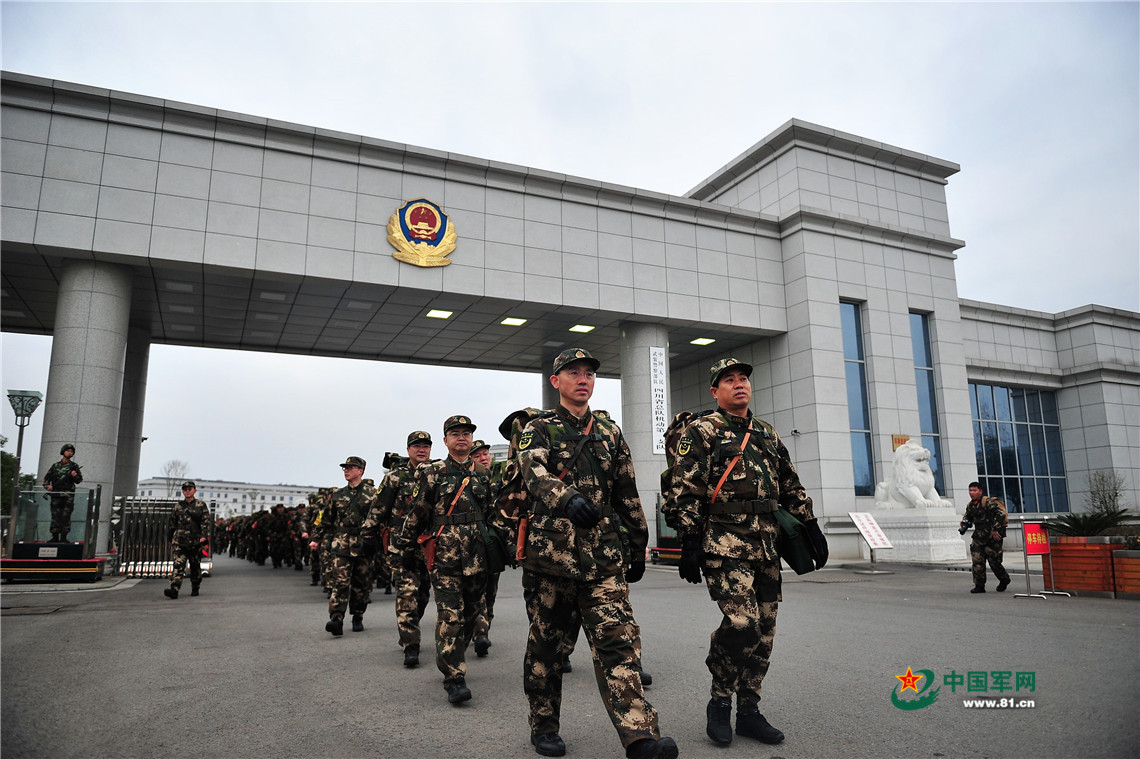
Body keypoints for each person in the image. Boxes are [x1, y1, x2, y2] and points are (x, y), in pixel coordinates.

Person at [513, 348, 676, 759]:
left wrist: (638, 544)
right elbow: (533, 472)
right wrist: (564, 497)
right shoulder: (539, 428)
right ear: (556, 381)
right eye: (573, 372)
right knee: (548, 648)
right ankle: (544, 724)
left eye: (588, 373)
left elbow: (626, 491)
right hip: (551, 559)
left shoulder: (609, 431)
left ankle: (640, 737)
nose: (582, 379)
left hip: (603, 559)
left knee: (617, 646)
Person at [665, 357, 827, 747]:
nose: (739, 385)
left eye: (743, 379)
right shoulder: (702, 432)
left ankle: (749, 710)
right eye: (729, 380)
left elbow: (790, 484)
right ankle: (720, 701)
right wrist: (688, 540)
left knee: (765, 631)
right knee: (742, 624)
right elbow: (684, 488)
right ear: (714, 391)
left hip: (767, 545)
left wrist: (810, 523)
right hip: (723, 544)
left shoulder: (767, 434)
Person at [392, 416, 493, 705]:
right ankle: (454, 677)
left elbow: (492, 514)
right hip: (445, 556)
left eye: (466, 434)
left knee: (473, 614)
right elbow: (417, 511)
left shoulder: (483, 474)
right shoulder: (432, 472)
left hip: (477, 557)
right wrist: (403, 547)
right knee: (450, 615)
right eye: (455, 434)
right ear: (446, 440)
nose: (462, 438)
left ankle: (457, 654)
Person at [308, 456, 384, 636]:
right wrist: (315, 538)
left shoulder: (373, 494)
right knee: (340, 582)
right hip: (341, 544)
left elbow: (381, 519)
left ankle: (358, 615)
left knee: (361, 583)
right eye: (345, 468)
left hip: (364, 544)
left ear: (361, 471)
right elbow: (326, 519)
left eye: (351, 468)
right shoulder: (337, 495)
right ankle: (336, 618)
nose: (347, 471)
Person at [379, 432, 435, 667]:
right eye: (416, 446)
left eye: (425, 446)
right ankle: (411, 644)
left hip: (428, 546)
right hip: (401, 546)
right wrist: (367, 537)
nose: (421, 450)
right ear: (408, 449)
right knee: (407, 593)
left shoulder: (437, 473)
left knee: (422, 594)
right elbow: (379, 508)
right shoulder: (395, 477)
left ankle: (409, 626)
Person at [470, 438, 499, 658]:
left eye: (486, 454)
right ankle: (480, 633)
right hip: (472, 544)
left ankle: (484, 622)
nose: (484, 458)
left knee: (490, 589)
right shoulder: (469, 478)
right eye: (478, 455)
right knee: (476, 590)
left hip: (493, 543)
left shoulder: (496, 478)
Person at [961, 481, 1011, 593]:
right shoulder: (971, 505)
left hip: (992, 538)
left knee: (994, 562)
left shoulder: (988, 502)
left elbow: (1001, 515)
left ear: (980, 491)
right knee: (977, 561)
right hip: (978, 537)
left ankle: (1004, 579)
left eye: (974, 490)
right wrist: (964, 523)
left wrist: (995, 529)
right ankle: (979, 585)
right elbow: (967, 517)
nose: (972, 493)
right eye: (970, 490)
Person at [164, 481, 211, 599]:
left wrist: (204, 536)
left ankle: (195, 586)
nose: (187, 491)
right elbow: (172, 523)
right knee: (178, 565)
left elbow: (205, 522)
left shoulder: (201, 505)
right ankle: (174, 589)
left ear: (194, 490)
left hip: (195, 541)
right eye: (185, 489)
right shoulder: (178, 506)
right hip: (180, 541)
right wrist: (170, 537)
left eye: (190, 489)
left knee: (195, 566)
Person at [42, 443, 83, 542]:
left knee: (66, 516)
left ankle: (64, 537)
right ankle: (55, 536)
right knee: (55, 516)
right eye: (68, 451)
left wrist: (74, 476)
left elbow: (79, 480)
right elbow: (46, 480)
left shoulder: (74, 466)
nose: (70, 453)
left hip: (68, 495)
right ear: (63, 452)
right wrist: (48, 487)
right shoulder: (55, 466)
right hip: (56, 494)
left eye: (71, 451)